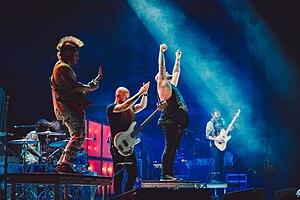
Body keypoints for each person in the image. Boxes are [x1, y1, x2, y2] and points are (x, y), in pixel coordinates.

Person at [50, 36, 100, 173]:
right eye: (76, 54)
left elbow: (73, 92)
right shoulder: (62, 68)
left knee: (77, 134)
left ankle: (63, 163)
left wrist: (89, 88)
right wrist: (90, 87)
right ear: (68, 53)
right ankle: (65, 164)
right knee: (78, 134)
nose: (77, 58)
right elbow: (76, 86)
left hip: (67, 108)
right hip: (67, 109)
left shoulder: (61, 67)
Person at [106, 82, 150, 196]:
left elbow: (142, 106)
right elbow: (124, 106)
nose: (128, 99)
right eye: (126, 96)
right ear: (118, 96)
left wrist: (144, 94)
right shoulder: (111, 108)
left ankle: (126, 195)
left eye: (128, 96)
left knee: (133, 172)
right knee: (119, 174)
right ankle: (118, 197)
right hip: (117, 145)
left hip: (128, 145)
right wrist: (139, 93)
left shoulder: (129, 110)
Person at [155, 44, 189, 181]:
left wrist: (177, 59)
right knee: (169, 147)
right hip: (169, 121)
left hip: (177, 122)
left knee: (174, 148)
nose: (167, 73)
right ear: (160, 78)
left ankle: (170, 174)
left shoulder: (172, 86)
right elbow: (161, 68)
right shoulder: (163, 85)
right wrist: (161, 53)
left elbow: (176, 72)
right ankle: (165, 174)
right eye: (163, 75)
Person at [205, 108, 232, 183]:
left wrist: (230, 129)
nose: (219, 115)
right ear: (212, 114)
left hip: (222, 143)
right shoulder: (210, 123)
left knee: (221, 161)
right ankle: (213, 178)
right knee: (217, 160)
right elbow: (207, 136)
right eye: (217, 114)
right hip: (214, 144)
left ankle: (219, 178)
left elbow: (225, 131)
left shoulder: (222, 121)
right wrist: (216, 139)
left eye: (219, 114)